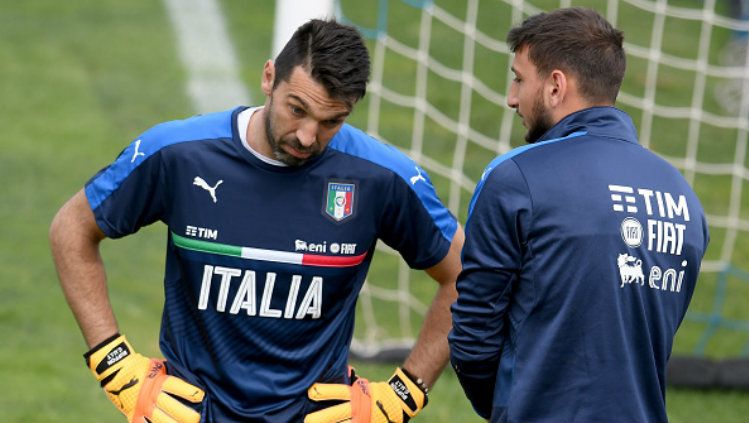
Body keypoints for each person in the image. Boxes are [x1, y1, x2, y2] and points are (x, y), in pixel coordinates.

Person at [50, 18, 463, 423]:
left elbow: (465, 274)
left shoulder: (379, 177)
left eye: (330, 122)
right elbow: (72, 229)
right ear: (269, 78)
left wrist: (406, 392)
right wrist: (114, 364)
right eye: (296, 109)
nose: (307, 136)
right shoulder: (179, 154)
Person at [448, 7, 709, 423]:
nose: (512, 97)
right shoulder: (682, 196)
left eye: (519, 78)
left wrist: (508, 405)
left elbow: (472, 335)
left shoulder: (516, 178)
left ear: (555, 86)